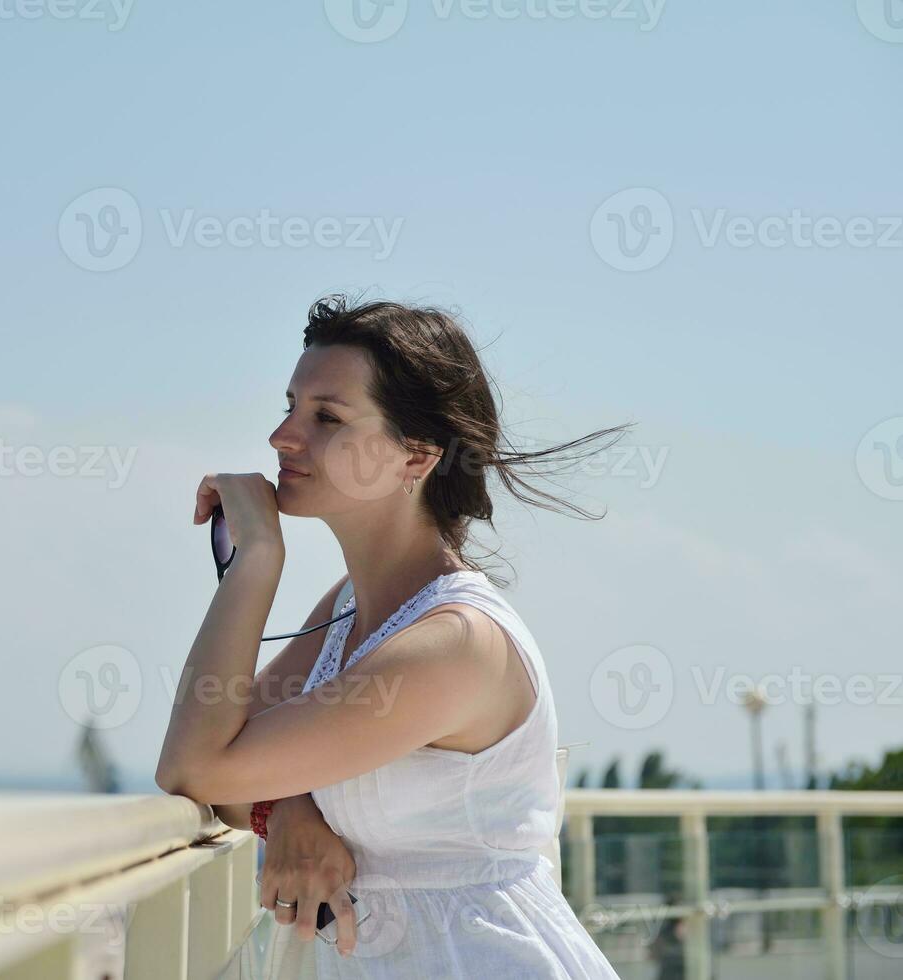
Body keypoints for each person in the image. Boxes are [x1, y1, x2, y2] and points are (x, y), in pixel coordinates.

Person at [157, 294, 630, 978]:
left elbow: (195, 765)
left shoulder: (454, 641)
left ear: (416, 456)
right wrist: (286, 808)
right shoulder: (348, 609)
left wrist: (254, 561)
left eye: (326, 417)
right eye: (288, 407)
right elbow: (216, 763)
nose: (282, 437)